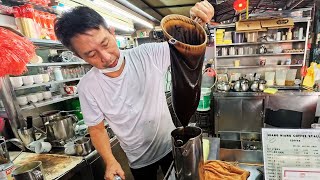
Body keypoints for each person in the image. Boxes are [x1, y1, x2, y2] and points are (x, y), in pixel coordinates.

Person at [54, 2, 214, 180]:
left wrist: (195, 22)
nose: (106, 57)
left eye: (105, 43)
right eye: (91, 54)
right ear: (78, 56)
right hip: (138, 160)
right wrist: (110, 160)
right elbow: (97, 129)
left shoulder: (147, 55)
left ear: (111, 32)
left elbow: (185, 46)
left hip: (170, 146)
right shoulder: (88, 87)